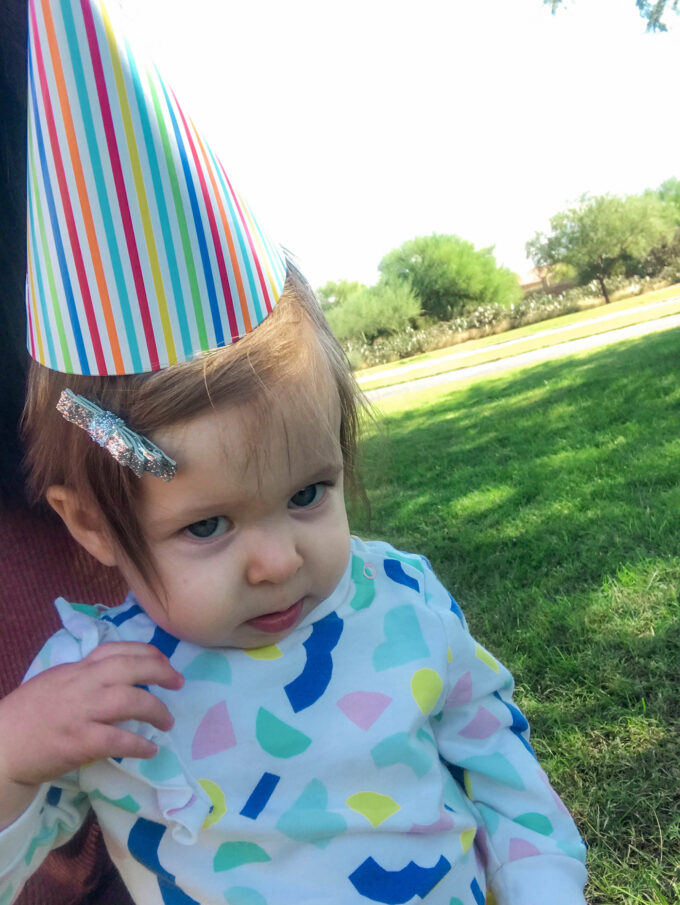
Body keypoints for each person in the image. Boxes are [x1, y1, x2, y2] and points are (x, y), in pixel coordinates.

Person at [0, 0, 588, 902]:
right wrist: (12, 761)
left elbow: (504, 769)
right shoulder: (93, 692)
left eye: (309, 492)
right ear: (93, 525)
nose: (279, 559)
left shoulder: (401, 601)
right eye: (207, 524)